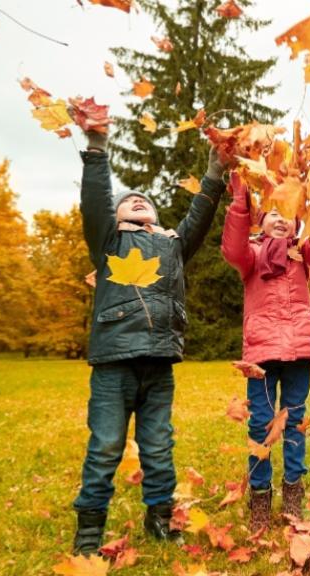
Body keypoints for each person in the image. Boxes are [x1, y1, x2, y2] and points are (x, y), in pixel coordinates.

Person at [71, 126, 227, 556]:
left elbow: (199, 217)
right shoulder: (108, 240)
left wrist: (215, 170)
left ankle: (160, 517)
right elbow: (96, 201)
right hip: (113, 362)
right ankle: (88, 530)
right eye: (128, 200)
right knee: (105, 446)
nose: (137, 200)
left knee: (159, 446)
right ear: (117, 216)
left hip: (158, 362)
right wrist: (97, 149)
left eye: (145, 201)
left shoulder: (172, 245)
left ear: (156, 217)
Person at [220, 173, 310, 532]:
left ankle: (293, 494)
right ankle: (259, 495)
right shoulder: (251, 256)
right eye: (272, 212)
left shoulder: (304, 254)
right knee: (261, 423)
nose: (281, 218)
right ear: (260, 221)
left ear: (298, 221)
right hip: (262, 353)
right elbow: (232, 247)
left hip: (299, 349)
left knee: (295, 421)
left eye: (287, 212)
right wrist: (241, 197)